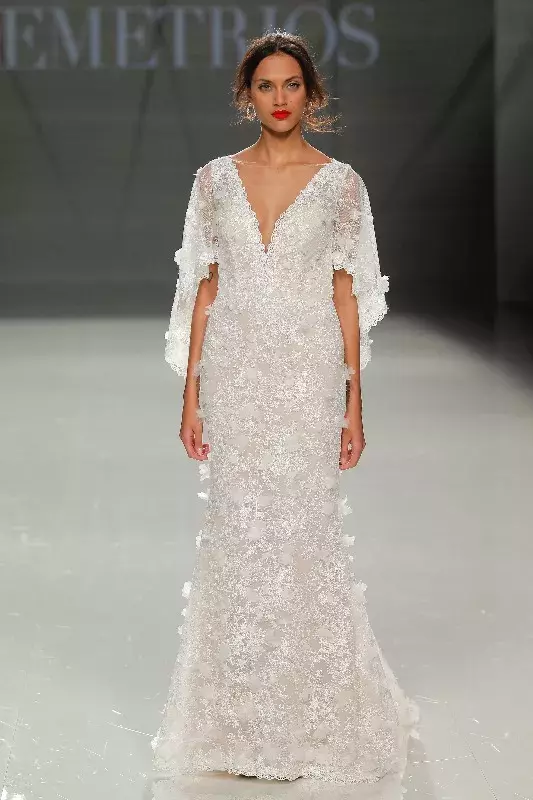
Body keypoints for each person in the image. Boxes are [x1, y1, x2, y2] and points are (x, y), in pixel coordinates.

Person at [151, 29, 420, 790]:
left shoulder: (340, 186)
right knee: (238, 532)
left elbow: (347, 294)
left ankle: (313, 714)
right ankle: (233, 718)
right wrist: (190, 391)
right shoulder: (214, 181)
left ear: (311, 94)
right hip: (235, 375)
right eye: (265, 85)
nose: (278, 98)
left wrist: (353, 401)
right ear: (247, 95)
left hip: (306, 377)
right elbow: (203, 288)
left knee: (303, 532)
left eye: (291, 85)